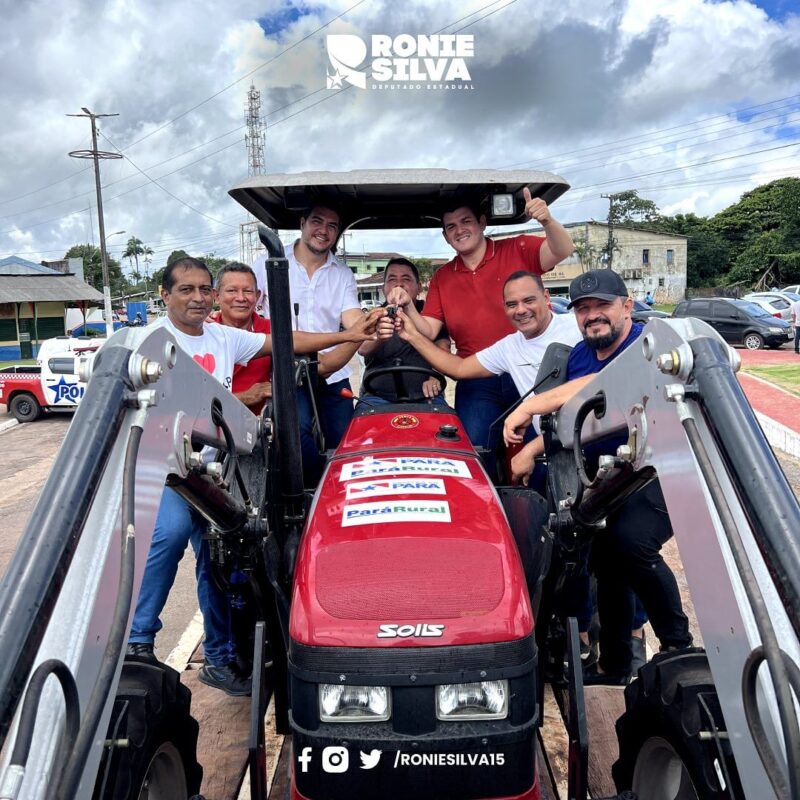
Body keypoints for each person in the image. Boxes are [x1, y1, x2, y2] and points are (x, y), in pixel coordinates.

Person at [127, 257, 378, 695]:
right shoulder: (140, 341)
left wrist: (348, 334)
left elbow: (288, 341)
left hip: (219, 464)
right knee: (170, 532)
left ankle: (224, 656)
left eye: (203, 289)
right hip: (165, 464)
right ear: (164, 295)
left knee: (224, 553)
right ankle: (138, 641)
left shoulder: (225, 336)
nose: (198, 298)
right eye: (188, 290)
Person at [503, 268, 692, 684]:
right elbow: (577, 420)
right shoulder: (578, 354)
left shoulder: (644, 345)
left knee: (632, 543)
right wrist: (532, 451)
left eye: (602, 306)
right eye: (584, 309)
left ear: (627, 306)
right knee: (604, 560)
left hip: (664, 466)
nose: (593, 316)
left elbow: (602, 386)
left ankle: (680, 647)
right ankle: (616, 665)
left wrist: (529, 408)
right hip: (611, 473)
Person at [383, 188, 574, 453]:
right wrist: (407, 306)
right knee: (474, 449)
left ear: (482, 223)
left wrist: (547, 221)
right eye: (451, 227)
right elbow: (428, 330)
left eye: (466, 221)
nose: (459, 230)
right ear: (446, 236)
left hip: (530, 370)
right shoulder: (443, 277)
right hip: (476, 376)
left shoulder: (517, 248)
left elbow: (563, 249)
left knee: (544, 447)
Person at [392, 271, 581, 474]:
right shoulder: (509, 347)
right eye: (512, 304)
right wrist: (411, 335)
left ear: (546, 297)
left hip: (587, 439)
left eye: (529, 301)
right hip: (551, 447)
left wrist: (530, 449)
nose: (521, 310)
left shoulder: (577, 327)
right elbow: (459, 368)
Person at [252, 205, 363, 484]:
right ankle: (311, 494)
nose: (323, 231)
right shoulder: (269, 263)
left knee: (345, 438)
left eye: (332, 226)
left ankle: (342, 494)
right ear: (302, 223)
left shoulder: (342, 274)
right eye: (317, 222)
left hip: (332, 368)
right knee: (295, 432)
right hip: (288, 370)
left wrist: (370, 325)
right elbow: (245, 309)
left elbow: (352, 318)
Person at [210, 262, 376, 415]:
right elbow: (199, 402)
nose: (241, 298)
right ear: (216, 296)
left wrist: (354, 335)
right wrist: (247, 396)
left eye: (247, 291)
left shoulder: (272, 331)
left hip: (265, 427)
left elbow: (324, 365)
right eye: (232, 291)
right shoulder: (203, 334)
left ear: (258, 295)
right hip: (212, 422)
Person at [358, 258, 451, 405]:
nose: (399, 284)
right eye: (392, 279)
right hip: (376, 395)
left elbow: (444, 348)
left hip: (426, 395)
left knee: (446, 426)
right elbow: (362, 349)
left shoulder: (432, 315)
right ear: (384, 288)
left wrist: (435, 376)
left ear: (419, 287)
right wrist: (379, 336)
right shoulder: (374, 314)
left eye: (406, 279)